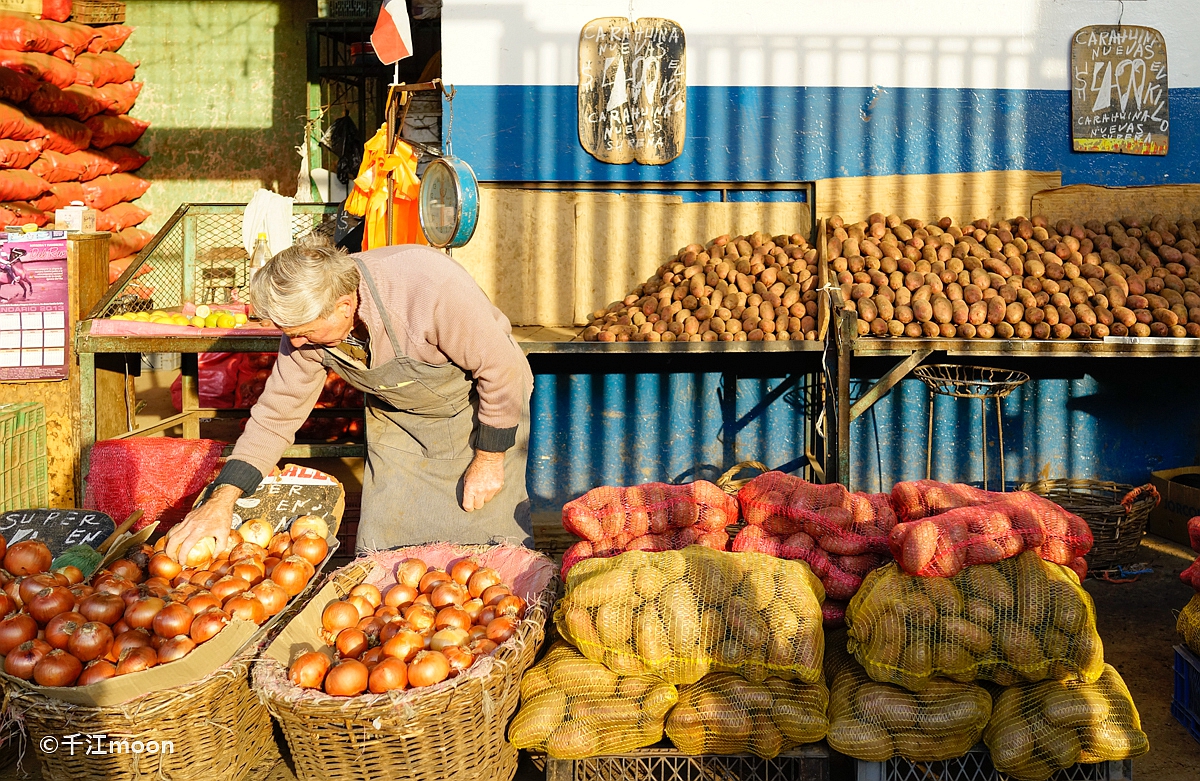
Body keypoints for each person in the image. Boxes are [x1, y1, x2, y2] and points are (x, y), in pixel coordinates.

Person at [165, 241, 534, 563]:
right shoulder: (306, 328)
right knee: (390, 554)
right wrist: (220, 501)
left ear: (344, 307)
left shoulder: (429, 288)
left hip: (480, 413)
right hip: (398, 423)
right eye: (288, 334)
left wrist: (489, 459)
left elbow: (503, 371)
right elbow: (276, 415)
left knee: (485, 552)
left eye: (303, 333)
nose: (295, 344)